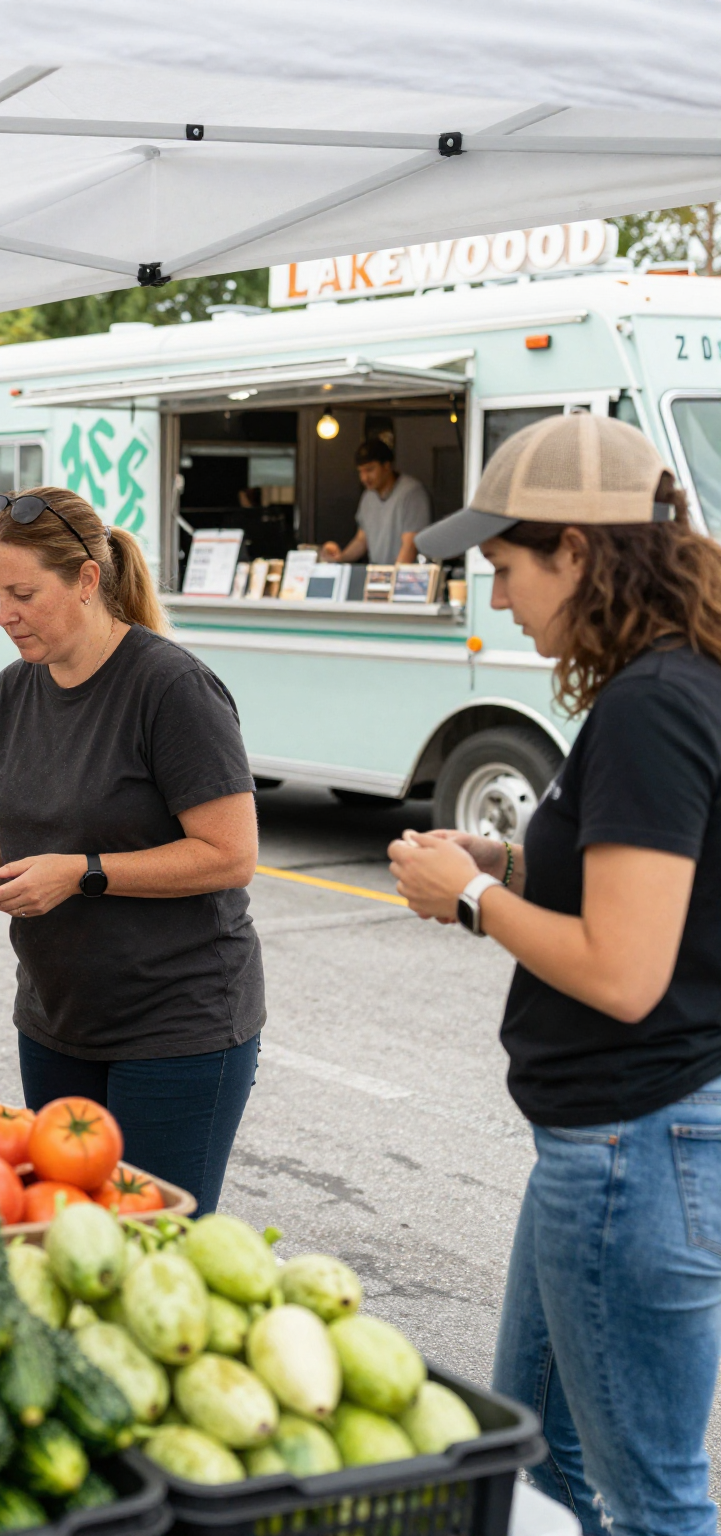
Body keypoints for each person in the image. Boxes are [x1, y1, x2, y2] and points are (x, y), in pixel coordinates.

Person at [388, 413, 721, 1535]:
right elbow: (664, 891)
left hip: (633, 1140)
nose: (499, 597)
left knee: (650, 1500)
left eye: (507, 567)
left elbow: (626, 970)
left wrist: (472, 900)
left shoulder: (652, 706)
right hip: (622, 1139)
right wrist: (512, 859)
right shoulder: (680, 680)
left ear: (577, 551)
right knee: (530, 1455)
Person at [0, 488, 263, 1212]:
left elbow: (230, 856)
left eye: (23, 593)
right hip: (54, 1020)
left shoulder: (172, 688)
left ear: (85, 580)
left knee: (152, 1246)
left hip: (177, 1030)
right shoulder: (13, 691)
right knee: (66, 1231)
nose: (4, 614)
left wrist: (84, 874)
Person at [319, 438, 431, 567]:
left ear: (387, 466)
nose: (364, 477)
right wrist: (341, 558)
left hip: (406, 580)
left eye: (370, 470)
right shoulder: (368, 496)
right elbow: (361, 540)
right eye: (361, 471)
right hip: (378, 577)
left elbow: (410, 544)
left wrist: (393, 580)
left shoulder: (411, 493)